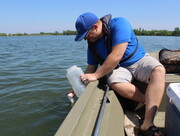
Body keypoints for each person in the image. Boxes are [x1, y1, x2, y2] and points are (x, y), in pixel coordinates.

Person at [74, 12, 165, 136]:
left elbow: (116, 55)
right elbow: (91, 66)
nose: (85, 39)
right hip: (119, 69)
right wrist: (78, 86)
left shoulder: (119, 24)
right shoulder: (92, 44)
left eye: (86, 35)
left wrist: (96, 76)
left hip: (139, 61)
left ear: (95, 27)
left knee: (159, 70)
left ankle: (147, 123)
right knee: (114, 82)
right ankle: (148, 102)